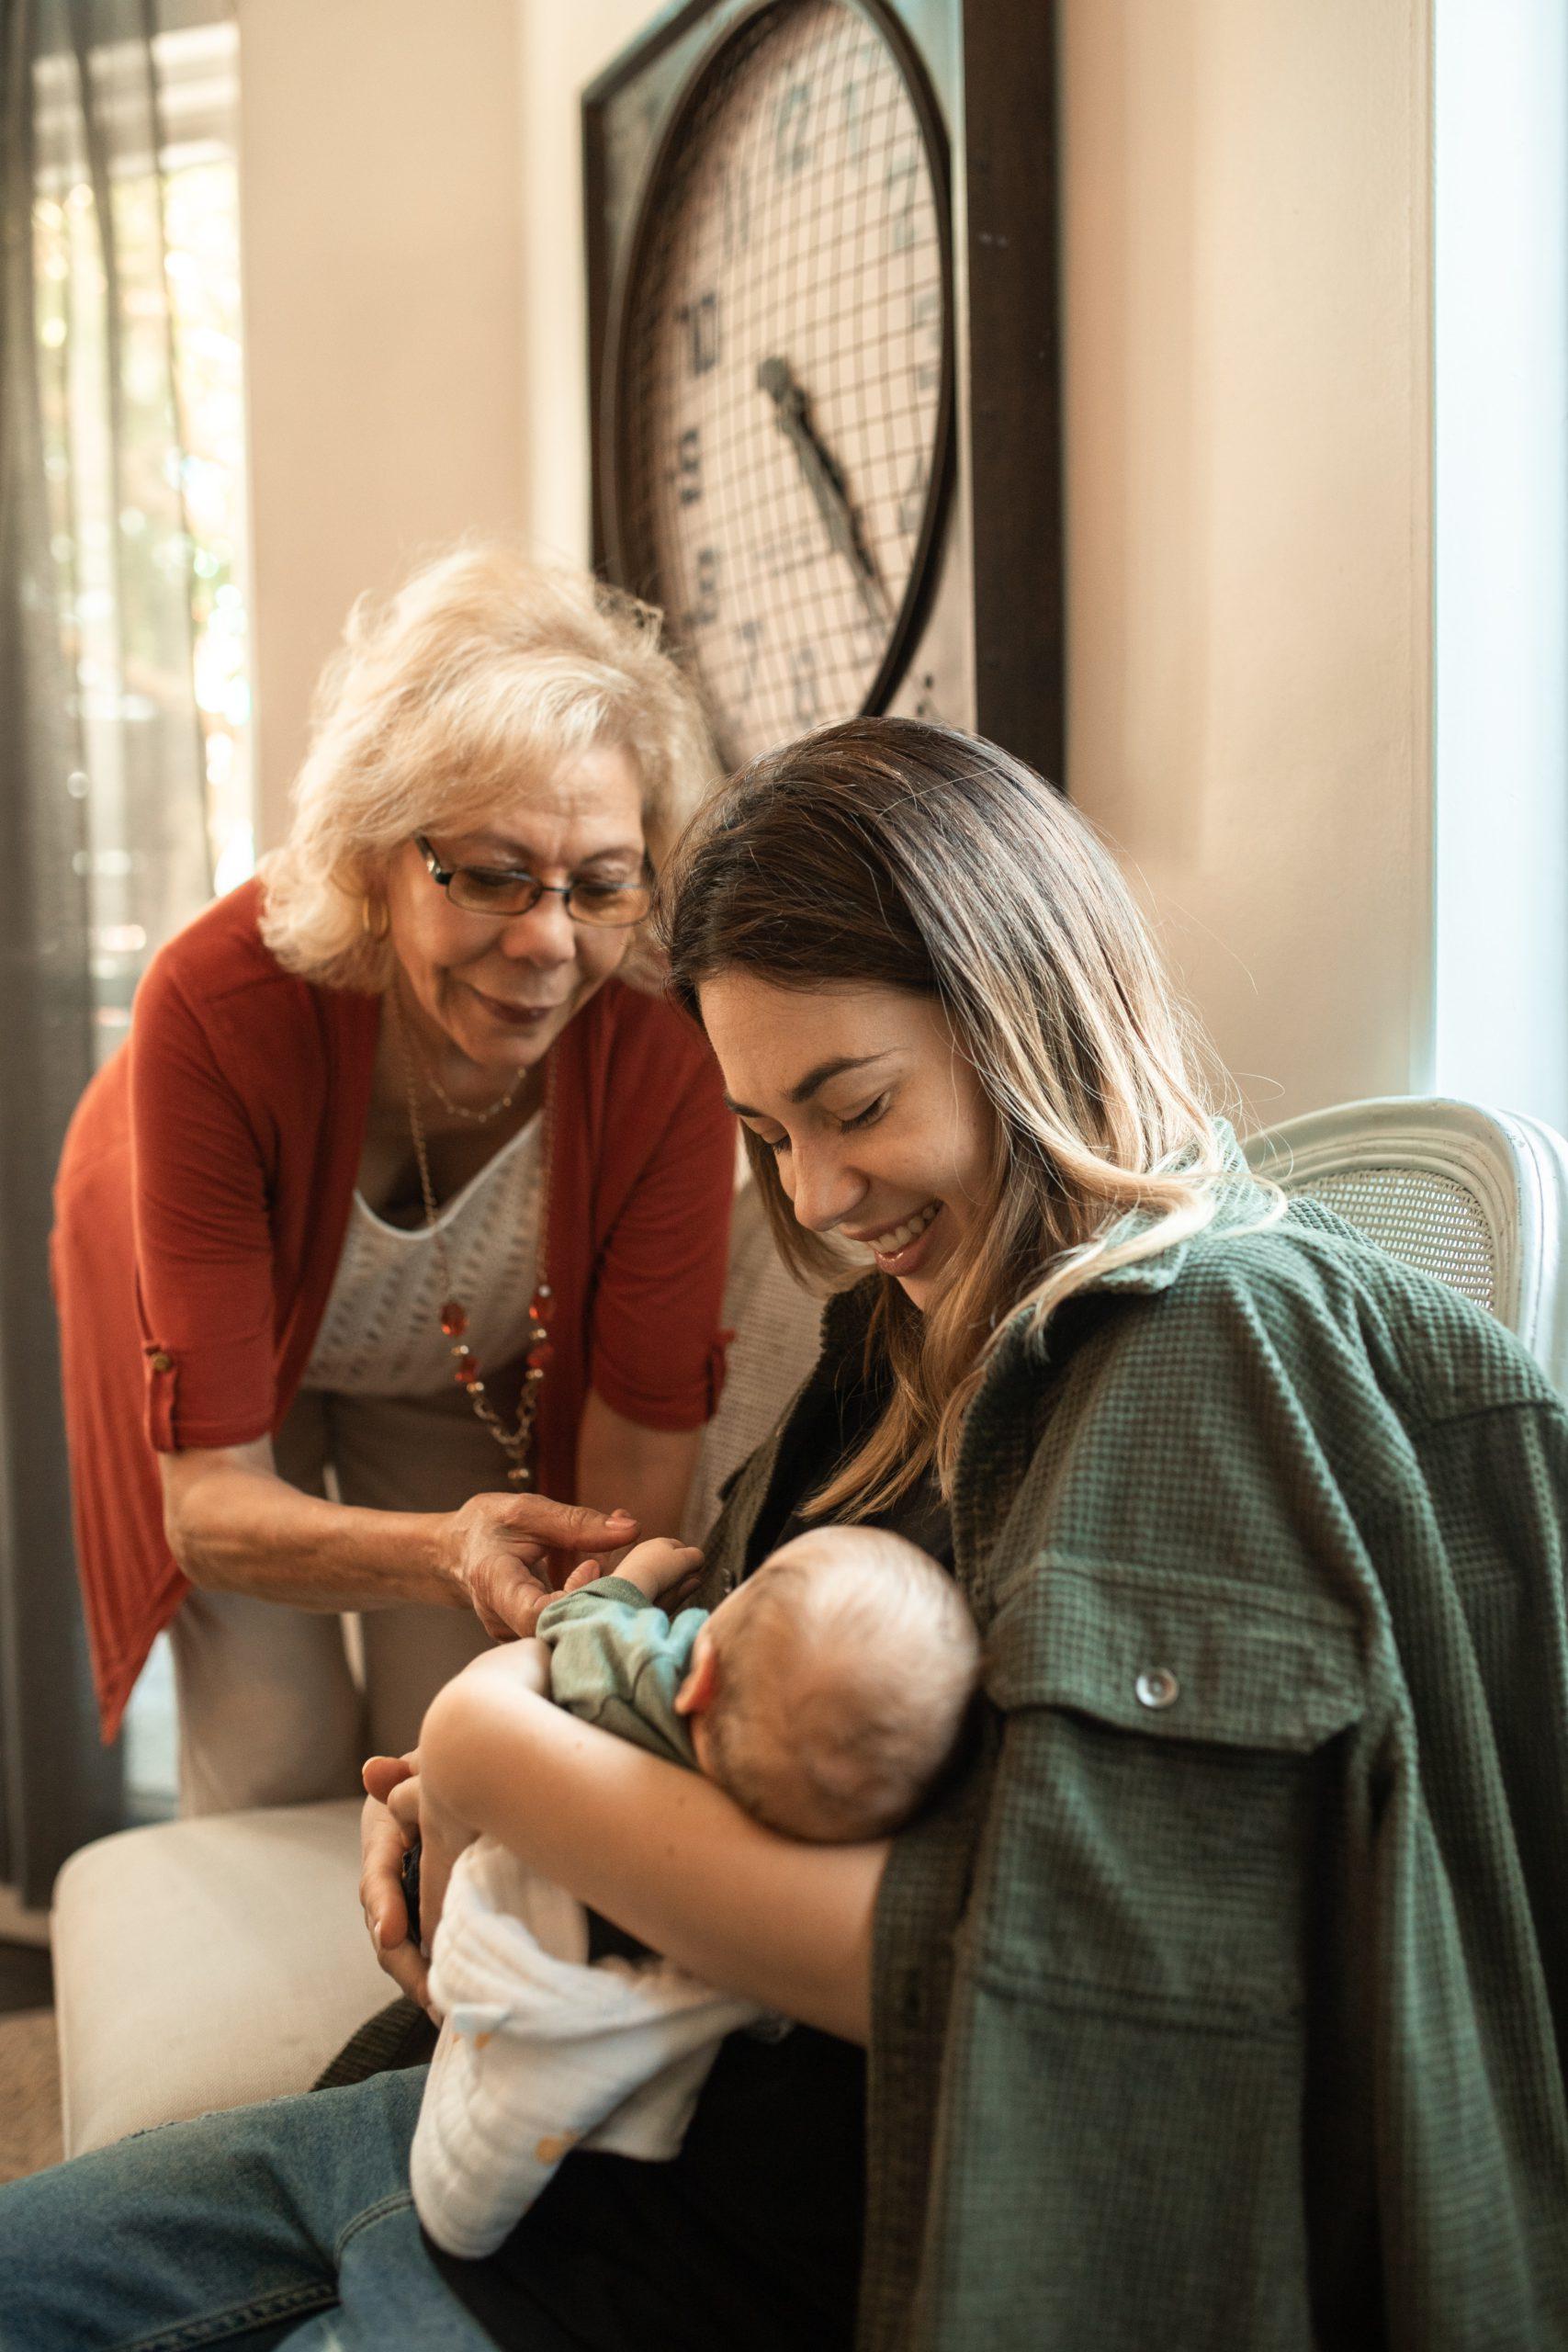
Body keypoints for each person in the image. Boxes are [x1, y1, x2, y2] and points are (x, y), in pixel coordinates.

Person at [6, 716, 1567, 2350]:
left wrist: (485, 1747)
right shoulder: (898, 1351)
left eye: (853, 1105)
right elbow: (703, 1686)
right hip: (489, 2140)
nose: (814, 1199)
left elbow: (1026, 1980)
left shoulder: (1205, 1345)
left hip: (678, 2274)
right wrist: (481, 1807)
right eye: (767, 1135)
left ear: (1018, 1010)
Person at [51, 543, 737, 1811]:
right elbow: (210, 1506)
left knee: (465, 1720)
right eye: (488, 874)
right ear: (374, 856)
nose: (545, 942)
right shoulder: (215, 1004)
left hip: (454, 1364)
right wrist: (443, 1548)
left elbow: (631, 1490)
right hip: (218, 1338)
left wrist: (555, 1717)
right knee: (274, 1747)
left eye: (597, 883)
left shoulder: (665, 1041)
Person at [411, 1527, 980, 2259]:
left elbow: (574, 1623)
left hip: (537, 1917)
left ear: (702, 1673)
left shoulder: (651, 1672)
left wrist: (640, 1576)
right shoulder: (837, 1827)